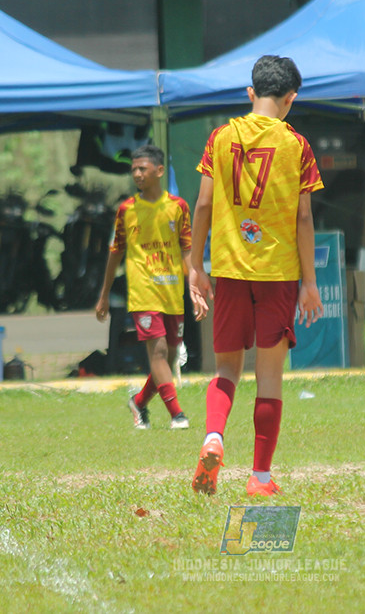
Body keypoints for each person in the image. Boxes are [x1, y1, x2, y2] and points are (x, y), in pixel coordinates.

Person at [188, 55, 324, 497]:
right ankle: (260, 478)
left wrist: (196, 266)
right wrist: (309, 283)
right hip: (277, 273)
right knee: (269, 376)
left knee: (227, 368)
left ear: (250, 93)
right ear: (290, 99)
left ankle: (213, 437)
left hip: (229, 270)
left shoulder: (220, 136)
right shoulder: (297, 145)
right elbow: (303, 217)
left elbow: (203, 204)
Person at [95, 144, 204, 430]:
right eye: (133, 170)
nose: (137, 174)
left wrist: (194, 284)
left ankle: (139, 402)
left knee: (169, 357)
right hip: (143, 293)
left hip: (172, 292)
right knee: (158, 354)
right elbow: (115, 252)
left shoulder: (178, 207)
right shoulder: (127, 210)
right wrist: (104, 295)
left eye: (142, 168)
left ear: (159, 171)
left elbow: (187, 249)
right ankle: (177, 414)